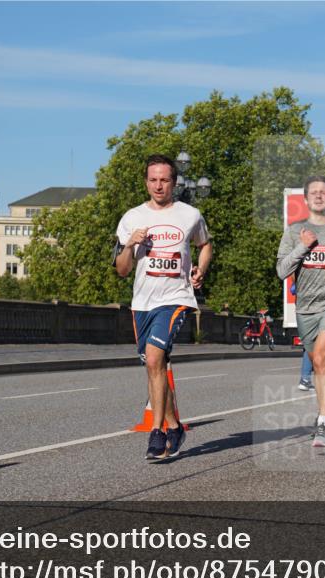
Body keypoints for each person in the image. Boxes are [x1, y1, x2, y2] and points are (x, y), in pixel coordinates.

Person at [115, 154, 212, 461]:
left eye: (165, 180)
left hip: (176, 298)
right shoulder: (131, 218)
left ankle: (156, 432)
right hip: (142, 302)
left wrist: (201, 269)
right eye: (153, 180)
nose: (159, 185)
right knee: (153, 366)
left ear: (174, 182)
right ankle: (174, 426)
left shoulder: (190, 215)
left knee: (156, 358)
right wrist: (130, 244)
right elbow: (121, 270)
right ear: (146, 182)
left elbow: (205, 244)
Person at [276, 175, 325, 446]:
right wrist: (303, 246)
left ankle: (322, 422)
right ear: (306, 199)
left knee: (320, 358)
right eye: (314, 192)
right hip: (305, 308)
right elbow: (282, 271)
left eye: (324, 192)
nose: (319, 196)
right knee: (323, 364)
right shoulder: (294, 231)